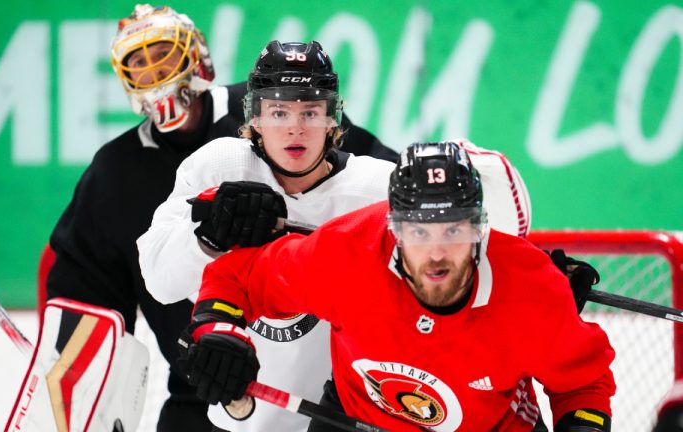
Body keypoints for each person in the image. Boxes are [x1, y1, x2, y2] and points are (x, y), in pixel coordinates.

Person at [137, 42, 533, 431]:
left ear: (333, 119)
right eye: (278, 111)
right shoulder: (219, 165)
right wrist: (207, 238)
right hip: (240, 414)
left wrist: (536, 277)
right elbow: (158, 281)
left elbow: (465, 258)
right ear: (254, 118)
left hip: (341, 416)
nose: (295, 126)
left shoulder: (376, 190)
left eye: (310, 111)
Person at [43, 4, 397, 431]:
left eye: (165, 54)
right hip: (207, 381)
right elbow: (97, 288)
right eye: (140, 62)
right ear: (255, 119)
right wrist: (73, 380)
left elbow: (373, 196)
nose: (293, 127)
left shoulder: (288, 108)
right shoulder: (123, 173)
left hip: (336, 386)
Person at [176, 141, 616, 431]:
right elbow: (238, 276)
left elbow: (582, 383)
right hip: (356, 420)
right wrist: (219, 332)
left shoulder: (531, 290)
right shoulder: (345, 254)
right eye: (420, 231)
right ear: (394, 229)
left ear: (480, 229)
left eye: (453, 230)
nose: (437, 253)